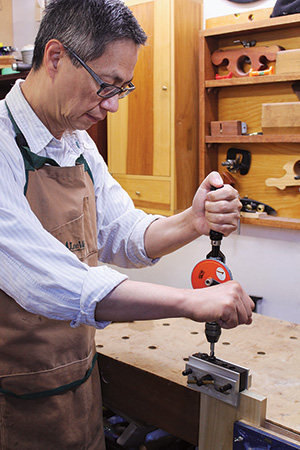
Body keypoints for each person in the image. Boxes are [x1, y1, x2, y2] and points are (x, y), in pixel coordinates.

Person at [0, 0, 254, 448]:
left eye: (124, 88)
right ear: (56, 57)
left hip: (77, 386)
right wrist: (189, 303)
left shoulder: (75, 142)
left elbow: (123, 236)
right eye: (106, 85)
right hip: (11, 400)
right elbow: (49, 282)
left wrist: (192, 221)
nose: (114, 106)